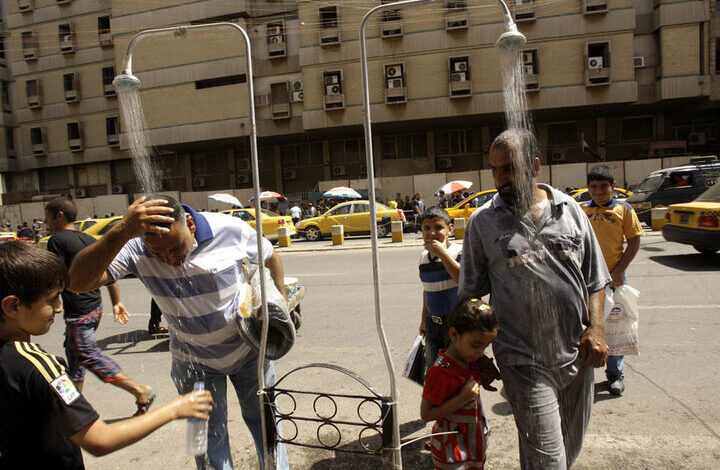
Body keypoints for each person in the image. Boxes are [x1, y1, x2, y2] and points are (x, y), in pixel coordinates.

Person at [66, 195, 289, 470]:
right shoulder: (135, 246)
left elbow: (270, 256)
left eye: (174, 248)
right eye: (158, 255)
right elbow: (76, 283)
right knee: (204, 443)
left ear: (191, 225)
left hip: (248, 353)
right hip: (192, 364)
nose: (169, 260)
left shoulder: (230, 229)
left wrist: (279, 304)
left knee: (265, 424)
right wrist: (121, 231)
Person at [459, 129, 610, 469]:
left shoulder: (570, 211)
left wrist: (596, 329)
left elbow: (595, 279)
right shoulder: (483, 222)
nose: (501, 178)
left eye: (509, 168)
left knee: (566, 453)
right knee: (548, 462)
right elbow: (471, 296)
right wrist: (474, 353)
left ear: (536, 166)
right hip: (521, 360)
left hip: (577, 355)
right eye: (495, 169)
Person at [0, 241, 213, 469]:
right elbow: (99, 439)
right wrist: (175, 409)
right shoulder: (40, 366)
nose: (59, 308)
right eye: (52, 299)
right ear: (13, 306)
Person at [43, 197, 155, 413]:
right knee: (75, 361)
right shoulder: (88, 239)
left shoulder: (56, 241)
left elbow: (52, 278)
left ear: (59, 215)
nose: (45, 221)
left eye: (47, 216)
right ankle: (70, 409)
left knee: (89, 357)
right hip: (93, 308)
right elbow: (108, 273)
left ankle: (139, 390)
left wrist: (51, 302)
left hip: (79, 312)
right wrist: (117, 302)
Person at [581, 165, 643, 396]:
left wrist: (619, 271)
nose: (598, 191)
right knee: (585, 326)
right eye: (594, 187)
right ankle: (583, 375)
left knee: (614, 328)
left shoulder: (624, 210)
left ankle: (615, 376)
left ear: (613, 186)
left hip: (613, 277)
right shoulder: (580, 210)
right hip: (585, 279)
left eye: (603, 186)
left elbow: (634, 242)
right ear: (588, 188)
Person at [420, 297, 499, 470]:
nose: (480, 352)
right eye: (476, 345)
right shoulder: (441, 371)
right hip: (452, 455)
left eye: (485, 347)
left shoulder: (470, 361)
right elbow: (426, 414)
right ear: (454, 335)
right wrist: (462, 398)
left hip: (471, 447)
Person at [418, 207, 462, 375]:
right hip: (433, 326)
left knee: (459, 372)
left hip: (456, 324)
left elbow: (461, 279)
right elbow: (427, 290)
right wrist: (423, 320)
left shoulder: (457, 252)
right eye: (427, 228)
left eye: (438, 228)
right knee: (434, 373)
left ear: (449, 230)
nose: (432, 233)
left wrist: (442, 254)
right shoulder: (423, 258)